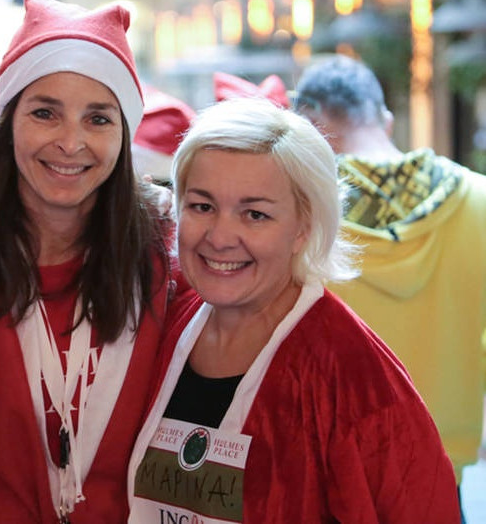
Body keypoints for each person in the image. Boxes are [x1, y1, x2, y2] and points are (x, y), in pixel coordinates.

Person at [0, 0, 177, 523]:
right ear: (8, 122)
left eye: (98, 119)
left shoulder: (169, 262)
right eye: (45, 113)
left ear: (124, 135)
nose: (71, 142)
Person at [127, 97, 459, 523]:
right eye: (202, 206)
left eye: (255, 214)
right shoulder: (165, 327)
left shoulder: (354, 373)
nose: (221, 236)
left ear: (304, 227)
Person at [293, 54, 486, 505]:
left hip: (324, 462)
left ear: (309, 122)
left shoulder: (302, 213)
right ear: (386, 119)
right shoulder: (479, 201)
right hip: (440, 459)